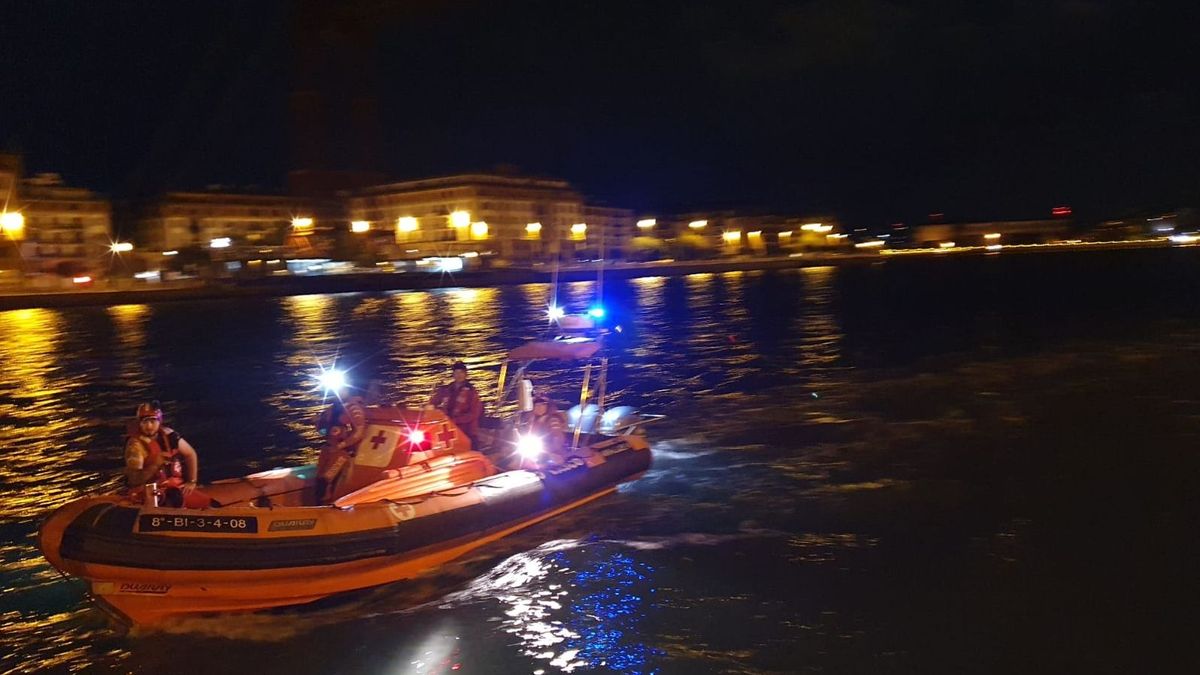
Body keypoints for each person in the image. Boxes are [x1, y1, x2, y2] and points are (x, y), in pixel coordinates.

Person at [124, 401, 214, 509]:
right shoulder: (135, 445)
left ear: (160, 421)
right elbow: (134, 480)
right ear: (139, 423)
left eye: (153, 421)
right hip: (150, 492)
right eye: (144, 422)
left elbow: (190, 454)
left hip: (173, 487)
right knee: (173, 500)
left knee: (209, 504)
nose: (148, 426)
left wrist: (191, 481)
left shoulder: (169, 435)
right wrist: (154, 465)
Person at [314, 392, 368, 503]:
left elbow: (358, 432)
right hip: (328, 449)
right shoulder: (332, 409)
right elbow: (323, 431)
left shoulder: (354, 409)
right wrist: (318, 423)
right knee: (319, 479)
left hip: (341, 452)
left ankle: (327, 505)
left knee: (326, 479)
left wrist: (341, 445)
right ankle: (320, 504)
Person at [430, 361, 483, 447]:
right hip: (448, 427)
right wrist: (429, 408)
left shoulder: (472, 392)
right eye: (456, 372)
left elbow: (474, 414)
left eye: (461, 372)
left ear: (465, 374)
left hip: (466, 430)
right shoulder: (446, 389)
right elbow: (434, 402)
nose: (459, 375)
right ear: (453, 374)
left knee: (472, 448)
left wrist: (455, 420)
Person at [523, 394, 569, 464]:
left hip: (550, 452)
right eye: (537, 405)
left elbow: (558, 437)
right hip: (535, 451)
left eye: (543, 405)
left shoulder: (553, 420)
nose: (539, 407)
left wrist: (552, 452)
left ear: (548, 407)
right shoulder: (532, 420)